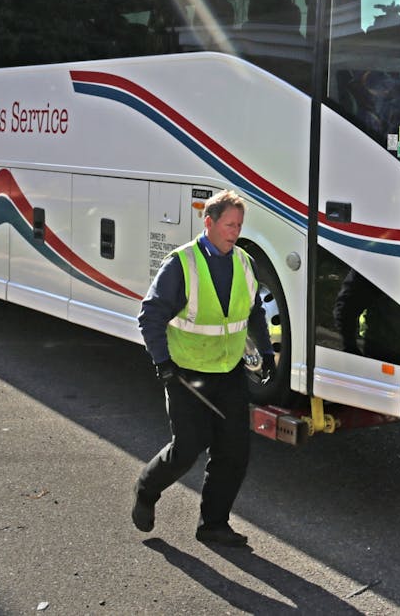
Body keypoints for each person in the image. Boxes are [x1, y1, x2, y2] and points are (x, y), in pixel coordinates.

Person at [132, 189, 275, 546]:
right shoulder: (182, 264)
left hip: (228, 372)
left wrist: (266, 353)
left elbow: (254, 311)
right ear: (208, 222)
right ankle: (147, 489)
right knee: (187, 449)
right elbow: (150, 316)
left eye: (239, 225)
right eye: (229, 224)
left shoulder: (244, 262)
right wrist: (163, 365)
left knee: (234, 452)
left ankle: (213, 524)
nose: (235, 231)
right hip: (186, 373)